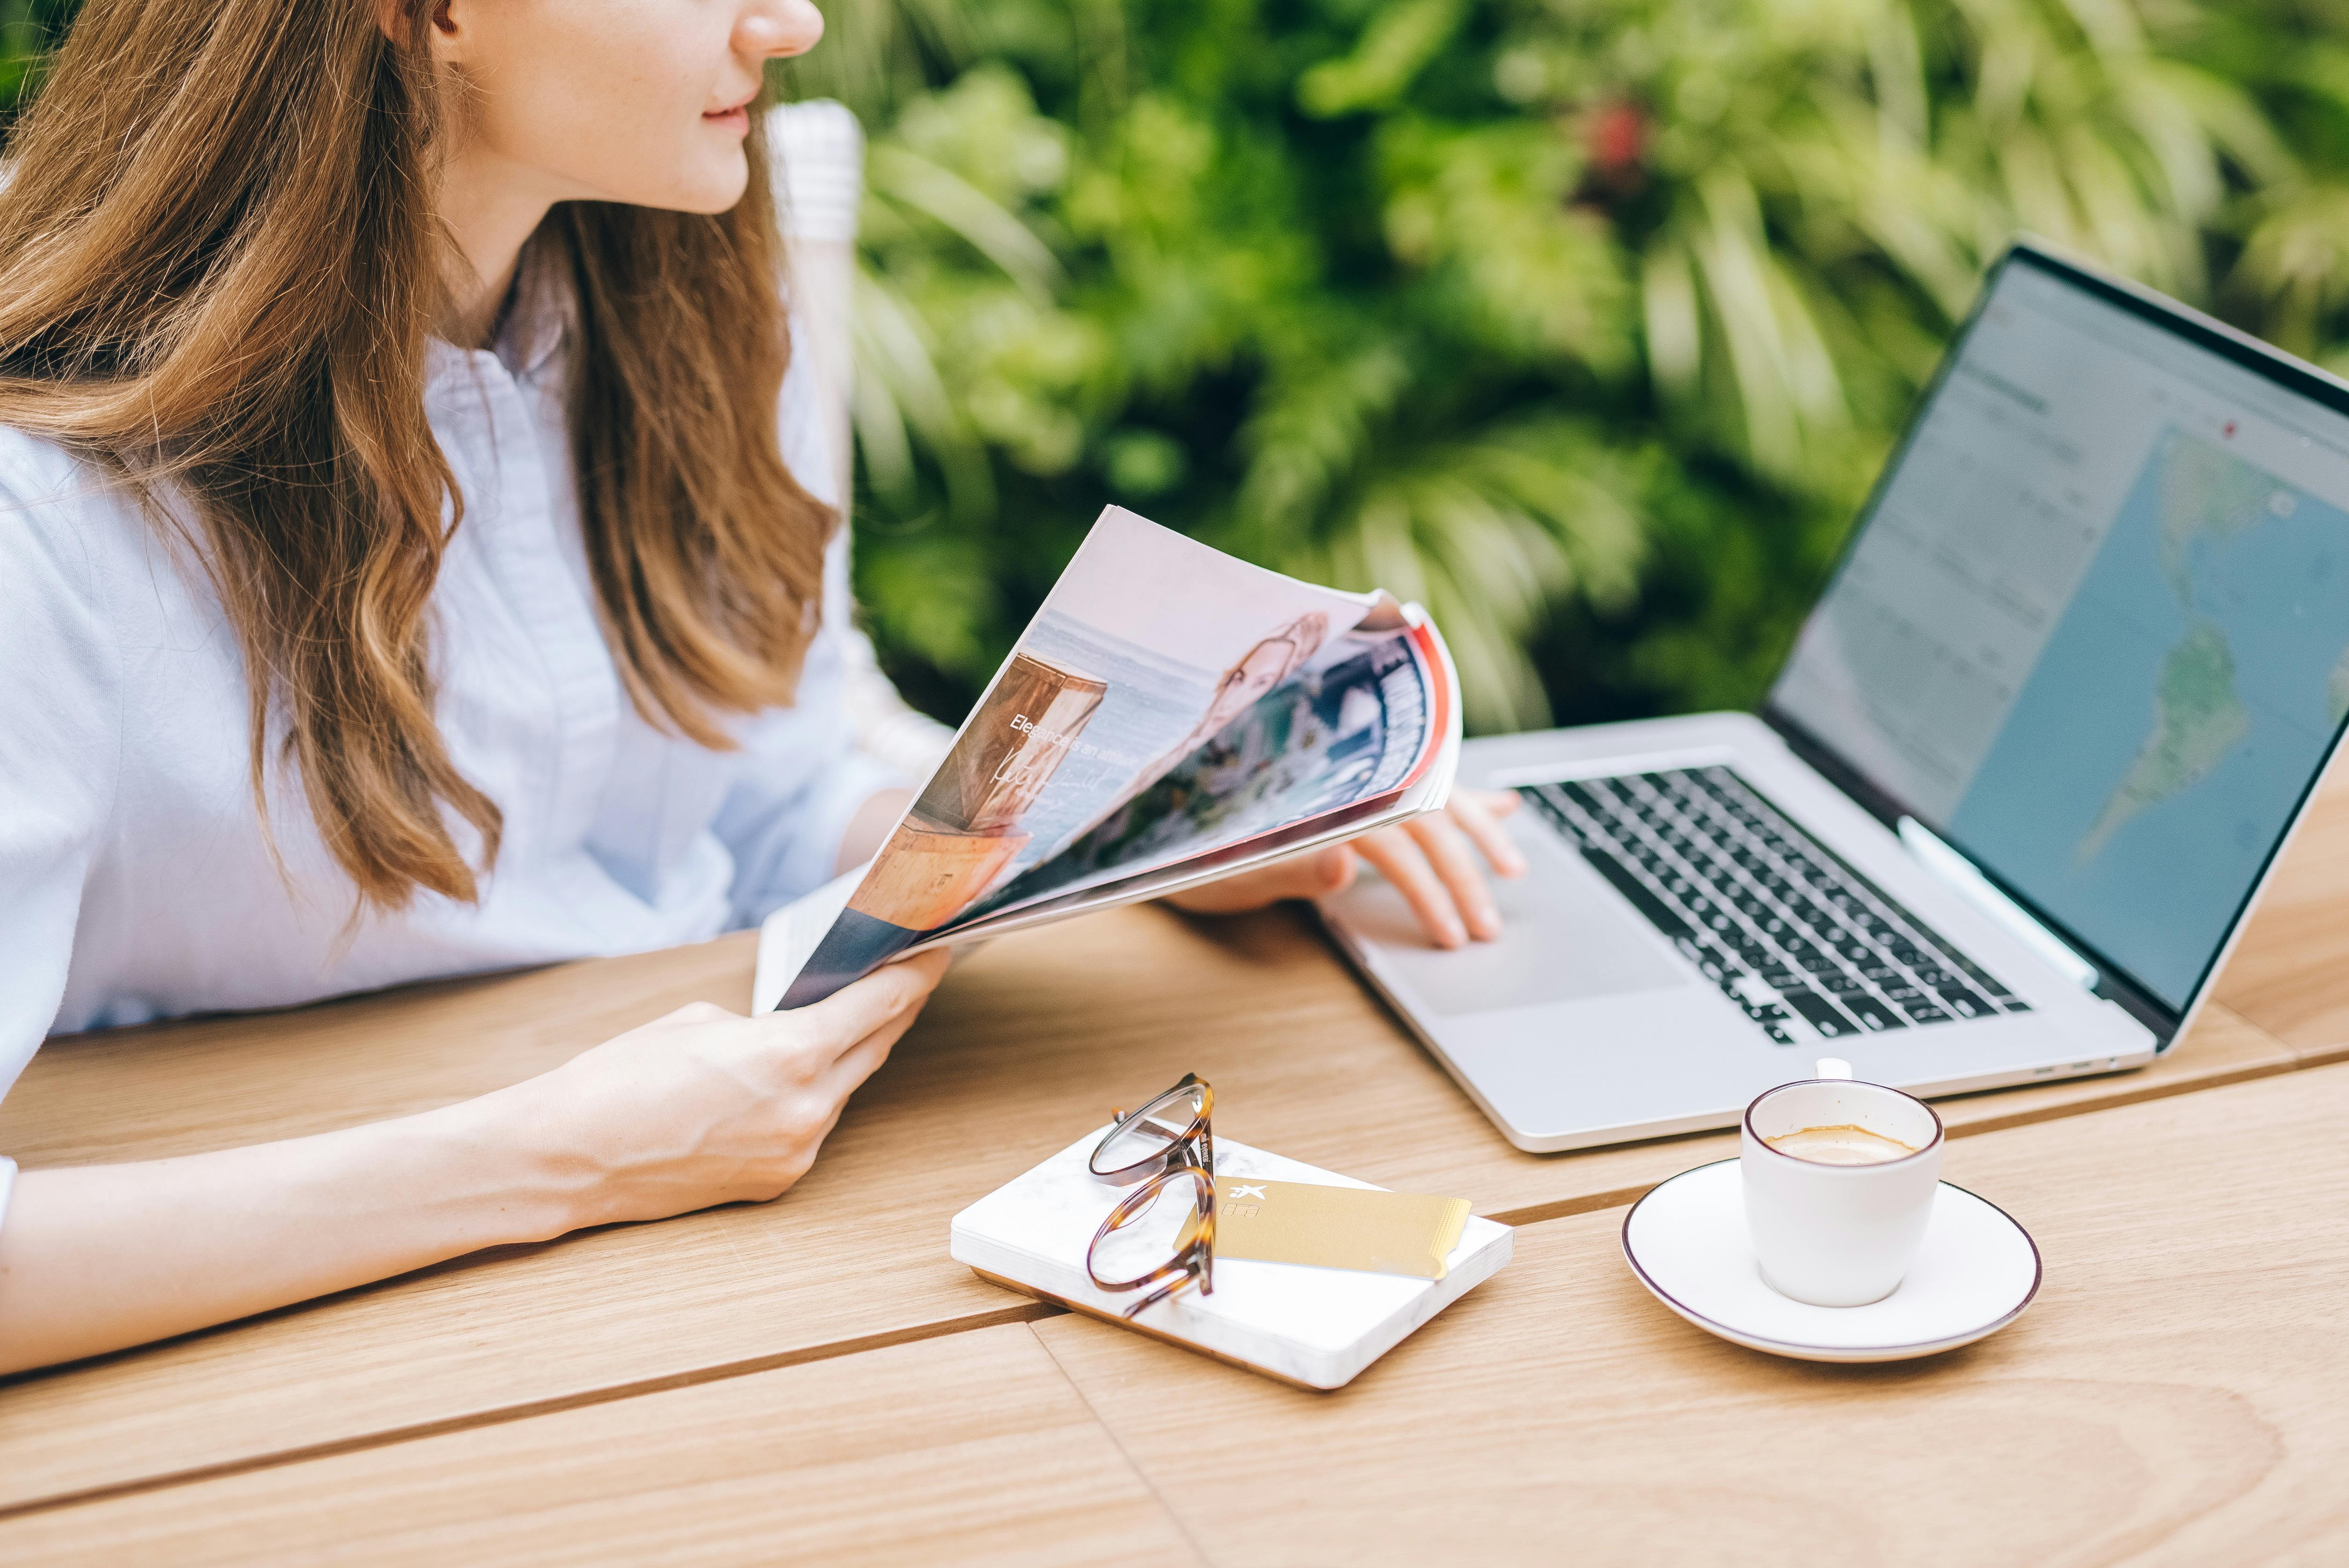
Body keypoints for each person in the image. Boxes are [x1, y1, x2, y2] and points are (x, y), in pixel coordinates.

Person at [0, 0, 1524, 1376]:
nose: (791, 23)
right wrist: (559, 1160)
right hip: (302, 1319)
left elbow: (770, 792)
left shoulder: (690, 304)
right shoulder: (42, 504)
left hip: (735, 1226)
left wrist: (1114, 846)